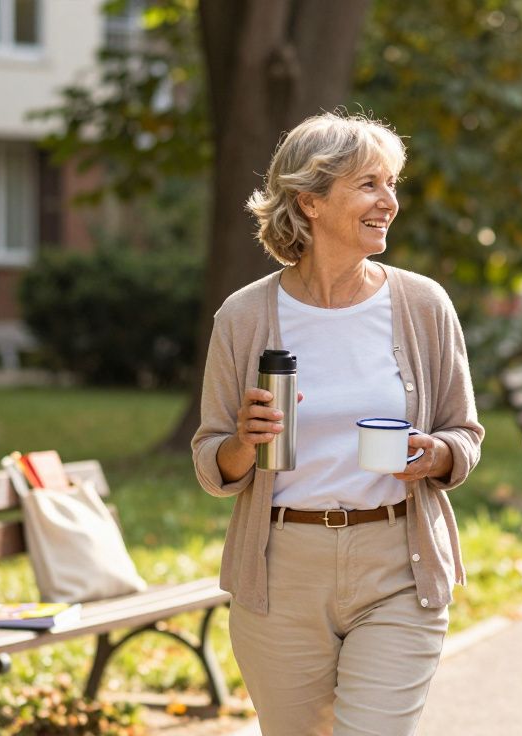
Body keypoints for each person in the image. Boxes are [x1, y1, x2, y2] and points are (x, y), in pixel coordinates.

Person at [191, 111, 484, 736]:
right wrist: (245, 443)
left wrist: (435, 454)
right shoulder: (244, 317)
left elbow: (466, 433)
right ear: (311, 201)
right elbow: (211, 459)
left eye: (392, 183)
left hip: (397, 562)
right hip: (280, 570)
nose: (390, 202)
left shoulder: (422, 304)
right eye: (370, 185)